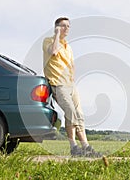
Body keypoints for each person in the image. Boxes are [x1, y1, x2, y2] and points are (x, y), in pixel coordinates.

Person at [42, 17, 101, 157]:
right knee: (70, 112)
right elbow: (53, 52)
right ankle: (74, 146)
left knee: (79, 114)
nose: (67, 28)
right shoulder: (49, 41)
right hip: (57, 83)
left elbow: (71, 64)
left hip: (70, 84)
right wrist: (57, 34)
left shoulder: (68, 46)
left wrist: (73, 76)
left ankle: (85, 147)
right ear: (56, 27)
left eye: (68, 26)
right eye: (63, 26)